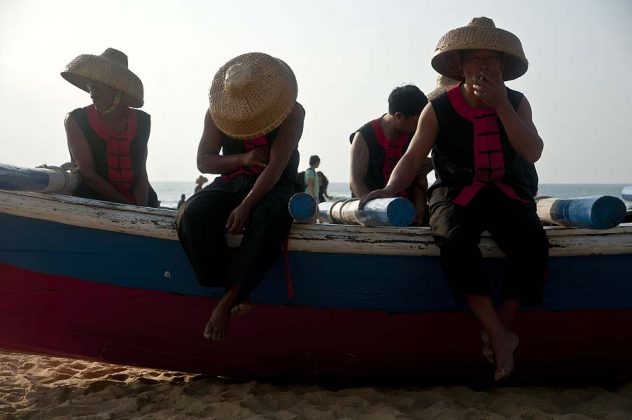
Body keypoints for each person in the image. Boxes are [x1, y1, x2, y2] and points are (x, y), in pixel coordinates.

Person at [360, 17, 549, 381]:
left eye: (491, 60)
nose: (483, 67)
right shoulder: (439, 108)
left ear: (503, 67)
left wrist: (502, 107)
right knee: (455, 241)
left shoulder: (518, 103)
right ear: (459, 67)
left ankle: (499, 330)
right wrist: (389, 189)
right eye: (474, 60)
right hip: (455, 193)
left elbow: (533, 151)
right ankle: (497, 333)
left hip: (506, 192)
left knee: (533, 246)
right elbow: (414, 157)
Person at [176, 52, 304, 341]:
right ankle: (234, 287)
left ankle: (227, 301)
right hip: (233, 179)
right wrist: (241, 159)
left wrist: (246, 206)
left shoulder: (293, 112)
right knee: (190, 214)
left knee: (269, 217)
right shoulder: (216, 114)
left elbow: (276, 166)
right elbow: (204, 162)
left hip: (277, 182)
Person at [61, 48, 158, 207]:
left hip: (137, 199)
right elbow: (89, 175)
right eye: (91, 81)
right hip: (93, 199)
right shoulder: (75, 120)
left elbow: (141, 173)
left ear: (118, 89)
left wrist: (141, 208)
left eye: (101, 82)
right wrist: (127, 207)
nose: (92, 87)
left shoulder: (143, 121)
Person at [350, 85, 434, 224]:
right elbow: (355, 182)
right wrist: (378, 210)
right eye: (416, 120)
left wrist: (420, 208)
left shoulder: (415, 134)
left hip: (408, 211)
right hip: (373, 214)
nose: (420, 125)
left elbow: (420, 176)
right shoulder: (365, 136)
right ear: (398, 116)